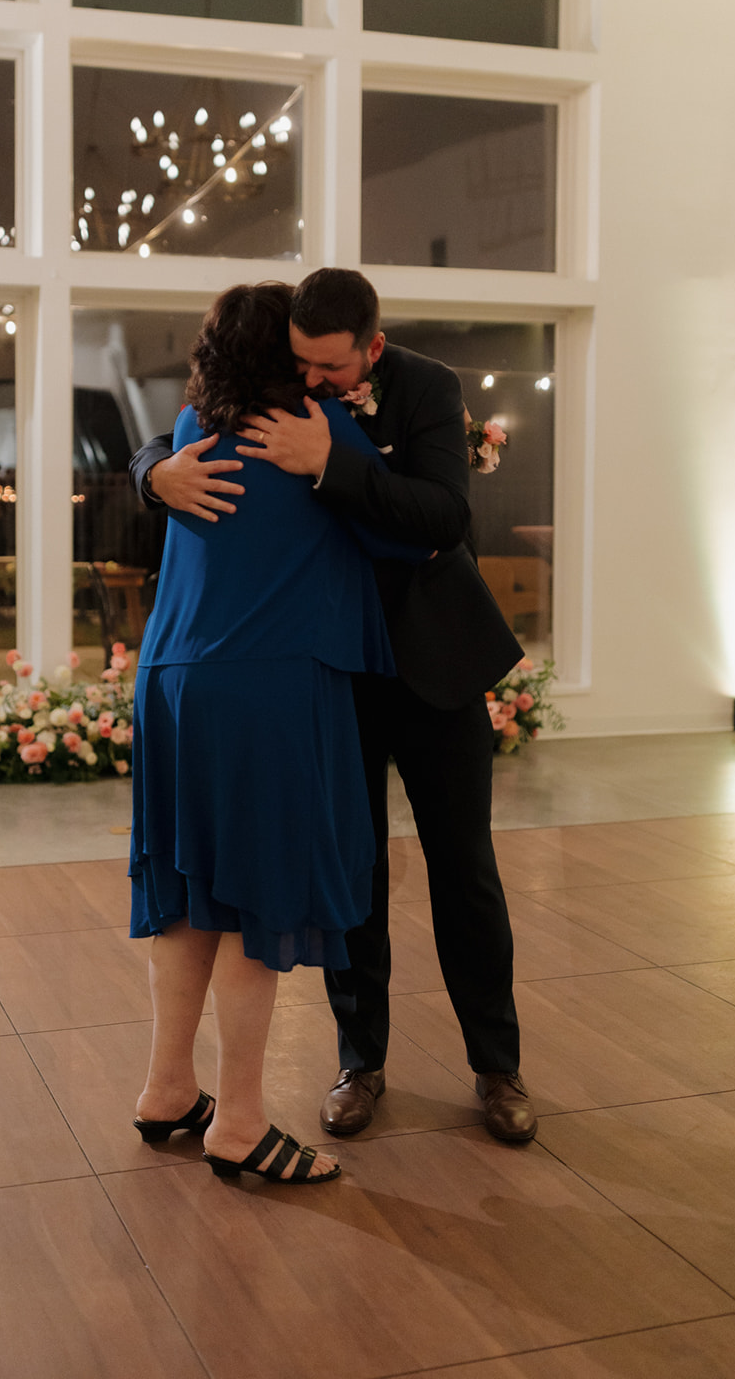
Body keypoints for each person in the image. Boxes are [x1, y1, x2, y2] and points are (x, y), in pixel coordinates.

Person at [130, 268, 536, 1144]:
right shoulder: (274, 403)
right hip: (329, 673)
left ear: (370, 349)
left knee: (463, 869)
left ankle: (497, 1067)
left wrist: (333, 465)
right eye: (297, 364)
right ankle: (362, 1062)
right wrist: (150, 471)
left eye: (326, 367)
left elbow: (444, 519)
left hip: (428, 661)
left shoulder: (427, 388)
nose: (311, 381)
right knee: (353, 880)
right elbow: (185, 437)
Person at [128, 281, 427, 1186]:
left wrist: (148, 469)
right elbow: (407, 540)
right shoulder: (311, 434)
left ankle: (168, 1090)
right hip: (265, 687)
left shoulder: (188, 432)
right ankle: (242, 1123)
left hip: (173, 682)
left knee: (190, 897)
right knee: (260, 905)